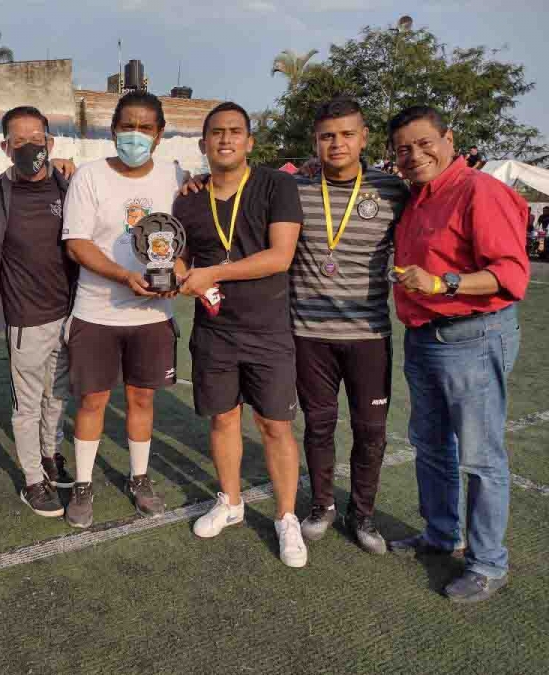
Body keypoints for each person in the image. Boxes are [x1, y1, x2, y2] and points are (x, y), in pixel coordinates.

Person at [387, 105, 529, 603]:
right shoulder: (417, 198)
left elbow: (510, 275)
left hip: (473, 334)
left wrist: (444, 282)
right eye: (404, 148)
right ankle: (441, 533)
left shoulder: (480, 191)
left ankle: (488, 563)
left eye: (425, 142)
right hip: (425, 337)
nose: (414, 154)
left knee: (480, 457)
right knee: (430, 444)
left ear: (450, 139)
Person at [174, 102, 308, 568]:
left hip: (268, 328)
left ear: (250, 142)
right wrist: (181, 273)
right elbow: (178, 251)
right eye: (216, 133)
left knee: (274, 425)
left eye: (235, 132)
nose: (225, 139)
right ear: (203, 143)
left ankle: (286, 517)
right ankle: (230, 502)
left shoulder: (277, 185)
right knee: (223, 419)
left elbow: (280, 256)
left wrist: (212, 272)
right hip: (214, 331)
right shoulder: (188, 197)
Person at [62, 91, 185, 529]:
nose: (135, 135)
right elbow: (76, 243)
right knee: (92, 400)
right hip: (97, 311)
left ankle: (138, 478)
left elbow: (185, 241)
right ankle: (82, 484)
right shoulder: (91, 176)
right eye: (127, 126)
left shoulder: (176, 176)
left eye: (145, 128)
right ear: (113, 129)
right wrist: (121, 276)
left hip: (152, 316)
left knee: (141, 397)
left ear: (160, 134)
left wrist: (178, 276)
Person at [290, 98, 408, 555]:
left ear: (363, 139)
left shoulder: (393, 191)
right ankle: (321, 506)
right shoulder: (295, 190)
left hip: (369, 336)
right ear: (315, 141)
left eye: (345, 134)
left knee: (371, 431)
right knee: (318, 426)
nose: (336, 143)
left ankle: (363, 515)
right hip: (310, 335)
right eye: (326, 135)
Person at [0, 106, 77, 518]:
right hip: (25, 318)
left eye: (37, 139)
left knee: (58, 395)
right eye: (19, 142)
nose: (29, 147)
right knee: (27, 404)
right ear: (5, 147)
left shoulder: (68, 185)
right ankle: (33, 479)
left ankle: (50, 454)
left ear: (50, 143)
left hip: (67, 314)